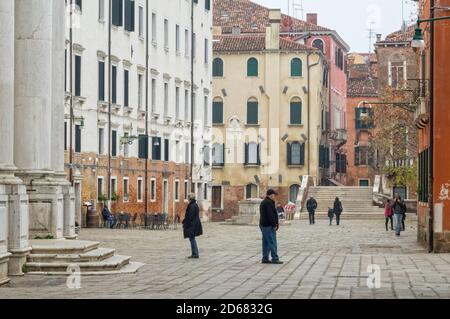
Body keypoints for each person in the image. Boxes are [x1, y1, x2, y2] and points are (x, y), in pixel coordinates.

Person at [259, 189, 283, 265]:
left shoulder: (265, 202)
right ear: (270, 195)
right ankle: (275, 258)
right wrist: (274, 224)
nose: (275, 196)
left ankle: (265, 258)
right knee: (272, 242)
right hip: (268, 225)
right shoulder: (268, 203)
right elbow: (270, 215)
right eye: (274, 195)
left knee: (266, 242)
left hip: (264, 225)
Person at [183, 193, 203, 259]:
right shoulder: (195, 204)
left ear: (190, 198)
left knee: (192, 239)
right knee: (192, 238)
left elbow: (190, 216)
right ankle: (195, 253)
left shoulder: (192, 206)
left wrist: (186, 223)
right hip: (194, 223)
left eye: (188, 198)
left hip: (192, 224)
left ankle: (195, 253)